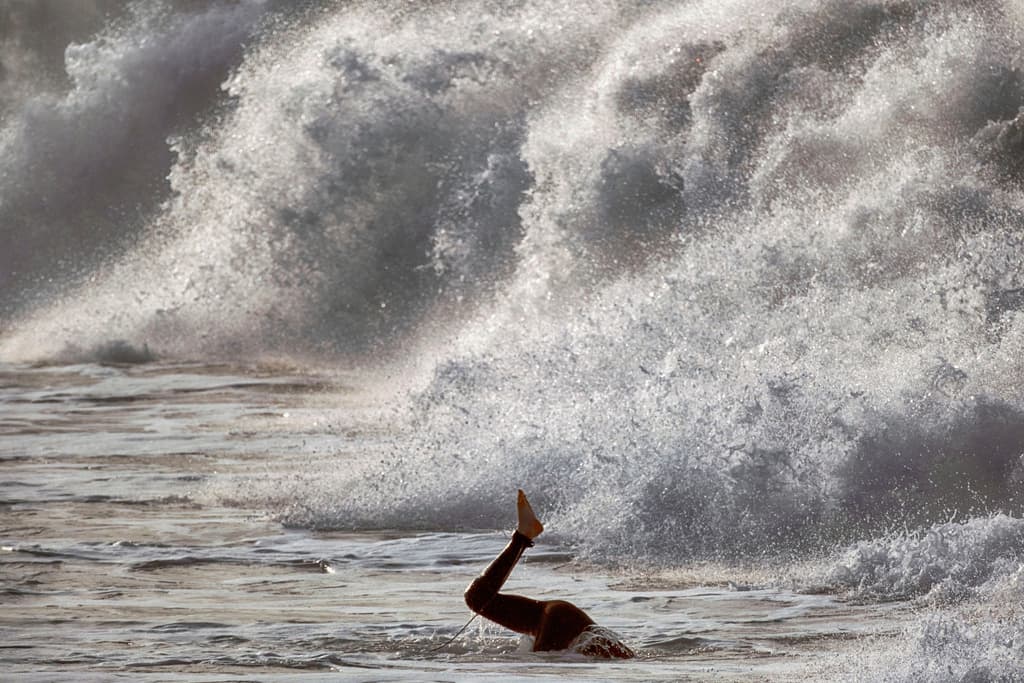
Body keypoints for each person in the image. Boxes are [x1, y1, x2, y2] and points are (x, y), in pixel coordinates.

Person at [463, 490, 635, 658]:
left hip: (552, 617)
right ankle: (522, 536)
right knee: (478, 598)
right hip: (556, 619)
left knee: (477, 597)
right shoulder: (624, 660)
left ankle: (522, 537)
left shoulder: (619, 657)